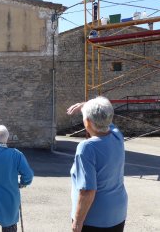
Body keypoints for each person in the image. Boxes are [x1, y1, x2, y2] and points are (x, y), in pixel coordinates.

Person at [67, 96, 128, 232]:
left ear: (87, 122)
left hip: (94, 219)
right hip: (117, 212)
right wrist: (85, 106)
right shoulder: (117, 135)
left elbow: (88, 190)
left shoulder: (87, 148)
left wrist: (77, 222)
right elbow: (104, 116)